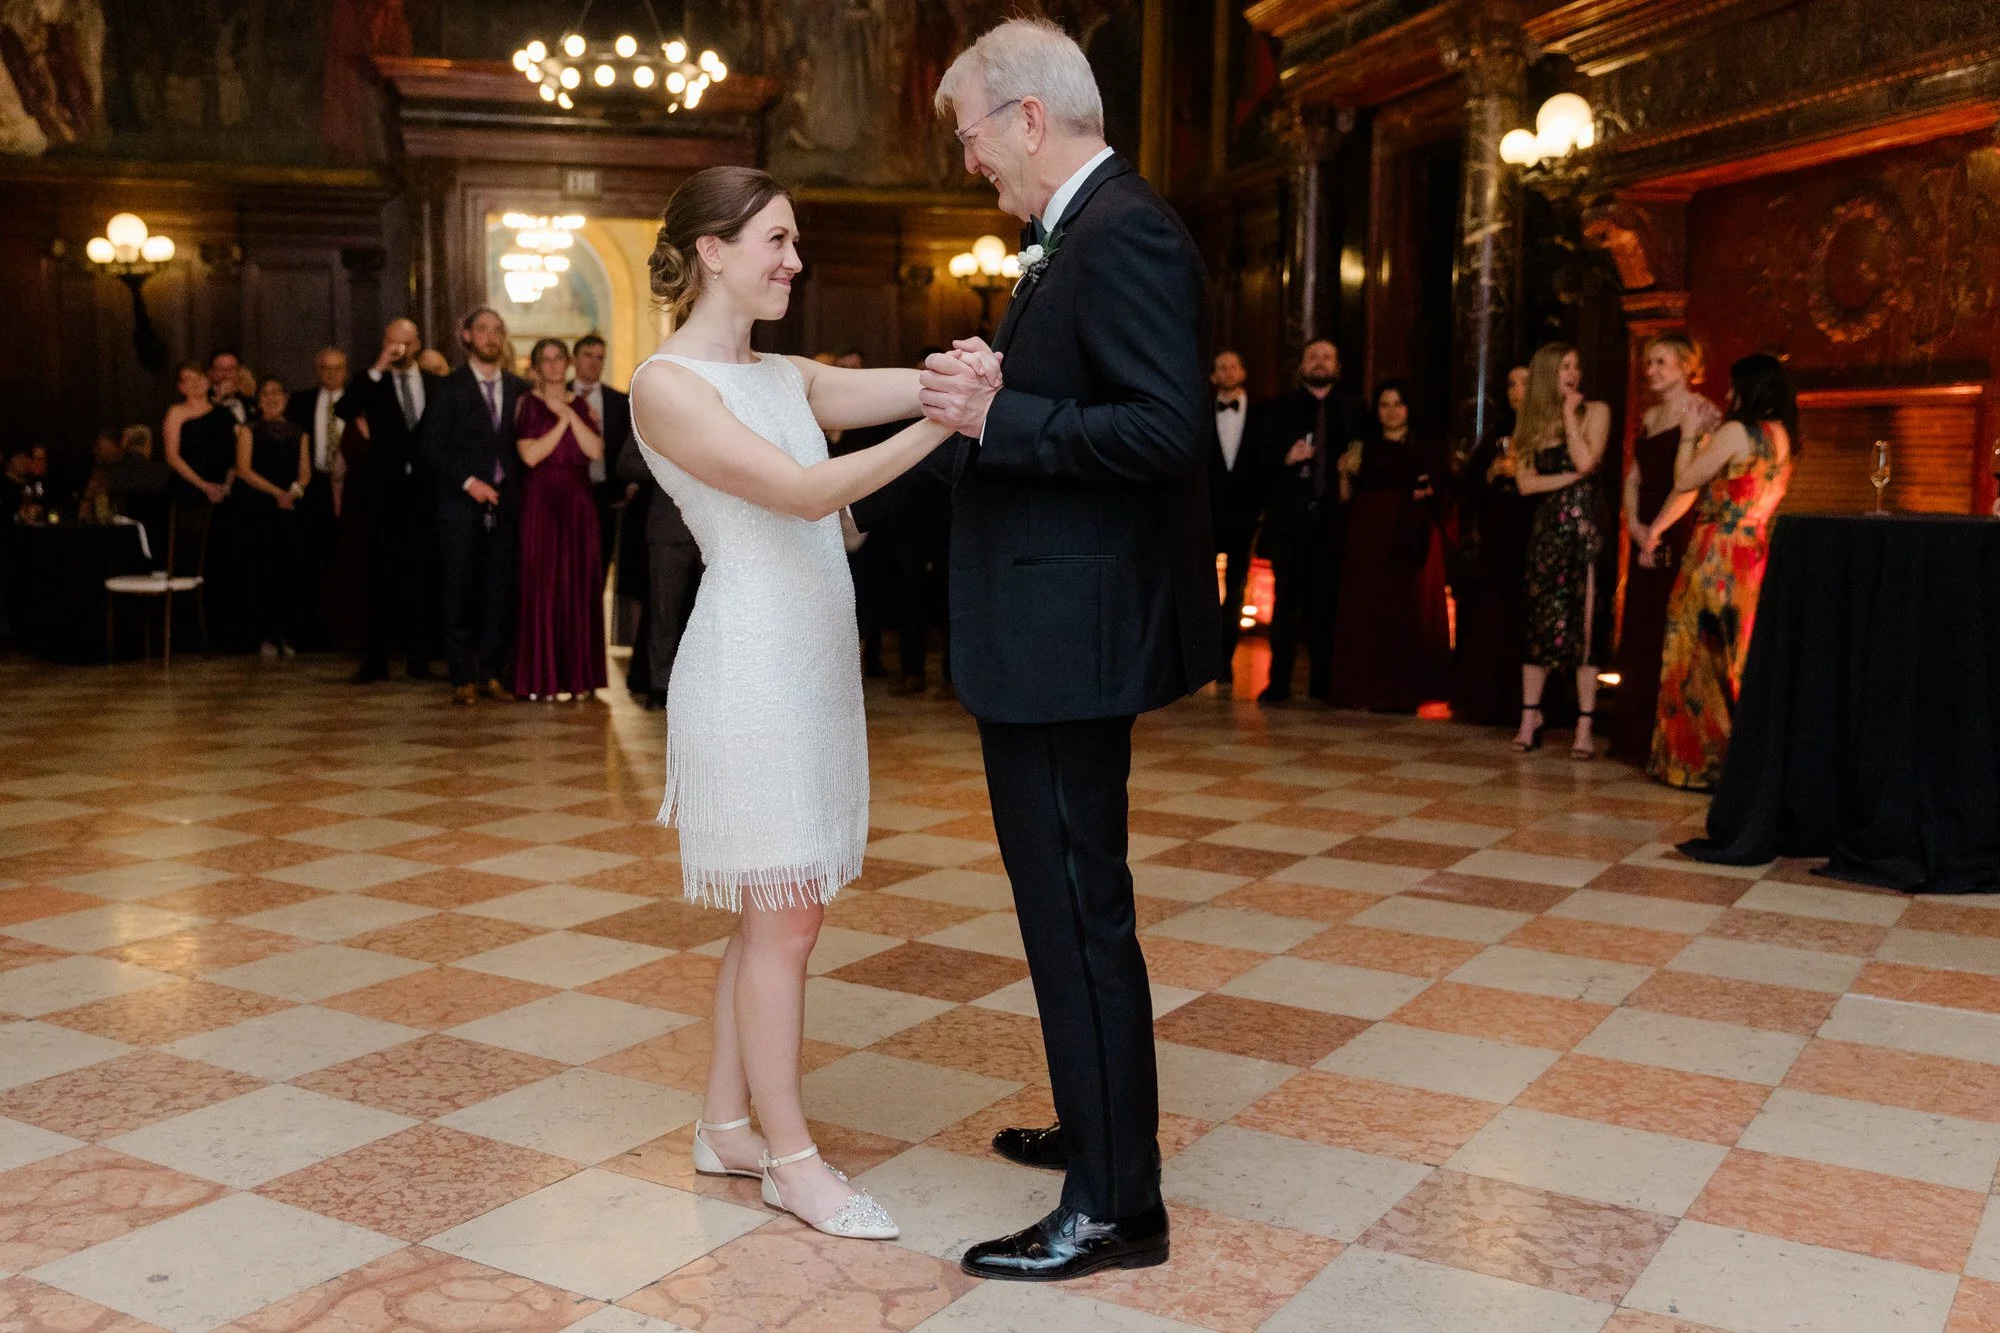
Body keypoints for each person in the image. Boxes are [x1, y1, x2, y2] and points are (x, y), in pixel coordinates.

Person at [865, 18, 1221, 1280]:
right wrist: (996, 383)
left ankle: (1118, 1204)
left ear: (1025, 117)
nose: (968, 163)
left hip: (1075, 633)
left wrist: (1001, 413)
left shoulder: (1121, 230)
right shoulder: (1082, 228)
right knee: (1059, 902)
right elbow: (1091, 398)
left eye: (967, 134)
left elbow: (1164, 433)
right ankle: (1097, 1127)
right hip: (1052, 627)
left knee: (1076, 909)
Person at [628, 166, 957, 1242]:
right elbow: (806, 492)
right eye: (775, 239)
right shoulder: (665, 385)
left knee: (773, 908)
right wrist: (947, 425)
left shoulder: (783, 373)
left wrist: (958, 375)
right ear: (712, 249)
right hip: (750, 670)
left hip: (812, 665)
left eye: (797, 241)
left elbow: (898, 387)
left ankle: (723, 1123)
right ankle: (792, 1161)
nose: (793, 261)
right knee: (790, 917)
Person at [1647, 353, 1796, 789]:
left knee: (1693, 651)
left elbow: (1685, 479)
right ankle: (1747, 760)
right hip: (1753, 551)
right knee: (1740, 656)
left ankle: (1697, 762)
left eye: (1734, 387)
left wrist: (1690, 434)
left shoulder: (1738, 431)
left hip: (1717, 553)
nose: (1728, 395)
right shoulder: (1782, 435)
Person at [1611, 335, 1722, 763]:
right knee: (1640, 627)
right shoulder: (1651, 415)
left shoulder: (1704, 415)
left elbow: (1690, 484)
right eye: (1649, 362)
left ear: (1685, 365)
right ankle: (1634, 736)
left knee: (1671, 628)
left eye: (1660, 362)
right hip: (1646, 531)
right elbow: (1634, 477)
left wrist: (1656, 530)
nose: (1650, 370)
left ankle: (1669, 741)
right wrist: (1635, 527)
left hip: (1677, 528)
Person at [1510, 343, 1613, 758]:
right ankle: (1530, 715)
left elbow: (1587, 461)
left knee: (1586, 624)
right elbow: (1524, 484)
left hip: (1586, 528)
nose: (1573, 374)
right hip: (1548, 530)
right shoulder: (1529, 422)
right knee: (1540, 620)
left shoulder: (1597, 412)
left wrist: (1571, 417)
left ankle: (1583, 728)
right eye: (1564, 367)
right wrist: (1567, 478)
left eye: (1577, 366)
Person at [421, 308, 526, 705]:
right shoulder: (449, 388)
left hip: (506, 506)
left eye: (498, 330)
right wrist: (469, 483)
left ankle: (493, 673)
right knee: (458, 591)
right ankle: (462, 676)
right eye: (482, 330)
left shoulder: (519, 388)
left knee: (499, 591)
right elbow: (431, 449)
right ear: (466, 336)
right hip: (459, 506)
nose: (491, 337)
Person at [1327, 380, 1450, 711]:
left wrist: (1429, 493)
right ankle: (1362, 687)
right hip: (1368, 533)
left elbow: (1444, 489)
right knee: (1366, 607)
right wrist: (1342, 472)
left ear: (1409, 407)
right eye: (1384, 405)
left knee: (1403, 608)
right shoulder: (1362, 445)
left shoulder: (1426, 445)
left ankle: (1401, 690)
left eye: (1398, 404)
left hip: (1409, 534)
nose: (1391, 411)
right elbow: (1344, 497)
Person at [1257, 338, 1362, 704]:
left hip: (1334, 522)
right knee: (1285, 605)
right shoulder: (1279, 409)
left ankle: (1323, 683)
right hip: (1290, 521)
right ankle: (1278, 682)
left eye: (1327, 357)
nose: (1319, 363)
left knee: (1326, 606)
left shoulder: (1353, 410)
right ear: (1301, 366)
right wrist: (1285, 457)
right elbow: (1257, 459)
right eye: (1312, 357)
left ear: (1338, 366)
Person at [339, 318, 442, 683]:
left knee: (423, 575)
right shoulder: (373, 383)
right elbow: (344, 409)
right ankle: (376, 660)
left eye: (404, 343)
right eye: (390, 342)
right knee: (379, 575)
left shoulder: (436, 384)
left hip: (426, 493)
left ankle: (419, 658)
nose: (398, 349)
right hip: (383, 492)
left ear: (416, 344)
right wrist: (379, 366)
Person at [512, 337, 607, 701]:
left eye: (558, 359)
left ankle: (580, 677)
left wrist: (570, 413)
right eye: (545, 360)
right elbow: (532, 456)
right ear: (536, 367)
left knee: (579, 586)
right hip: (541, 504)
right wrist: (562, 421)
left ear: (567, 364)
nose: (552, 366)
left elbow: (594, 451)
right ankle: (543, 678)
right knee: (542, 586)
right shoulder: (528, 405)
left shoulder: (582, 405)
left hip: (578, 505)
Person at [1450, 365, 1532, 725]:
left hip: (1532, 524)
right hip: (1499, 526)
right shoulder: (1498, 431)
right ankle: (1487, 696)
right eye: (1511, 383)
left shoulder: (1549, 428)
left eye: (1525, 383)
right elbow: (1470, 484)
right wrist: (1491, 473)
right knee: (1493, 608)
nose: (1517, 391)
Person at [615, 411, 702, 710]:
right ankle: (660, 686)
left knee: (713, 615)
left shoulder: (723, 408)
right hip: (668, 527)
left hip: (717, 529)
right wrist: (669, 467)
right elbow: (626, 462)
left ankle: (707, 688)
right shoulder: (657, 413)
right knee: (664, 612)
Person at [234, 377, 312, 658]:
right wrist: (276, 493)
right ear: (258, 400)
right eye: (265, 394)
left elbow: (305, 472)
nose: (271, 398)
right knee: (261, 570)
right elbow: (243, 469)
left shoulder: (299, 432)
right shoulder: (248, 430)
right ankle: (265, 634)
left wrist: (294, 491)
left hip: (289, 507)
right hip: (258, 507)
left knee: (288, 570)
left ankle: (288, 633)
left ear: (286, 397)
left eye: (277, 393)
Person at [286, 345, 351, 646]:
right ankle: (313, 630)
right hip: (312, 487)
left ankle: (346, 629)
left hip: (350, 486)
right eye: (326, 367)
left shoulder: (357, 400)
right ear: (318, 370)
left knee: (346, 557)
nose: (332, 373)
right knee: (311, 556)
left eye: (338, 367)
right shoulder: (300, 402)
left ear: (346, 371)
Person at [1206, 349, 1263, 686]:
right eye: (1220, 367)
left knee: (1238, 590)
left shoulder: (1262, 415)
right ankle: (1208, 660)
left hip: (1245, 516)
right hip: (1208, 516)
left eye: (1232, 366)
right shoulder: (1200, 415)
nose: (1227, 372)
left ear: (1243, 371)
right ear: (1213, 376)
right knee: (1204, 590)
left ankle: (1226, 660)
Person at [569, 333, 630, 571]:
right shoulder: (558, 396)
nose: (594, 362)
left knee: (600, 563)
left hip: (605, 494)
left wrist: (626, 487)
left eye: (600, 357)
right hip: (566, 492)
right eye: (587, 355)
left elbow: (626, 446)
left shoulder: (618, 401)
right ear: (574, 359)